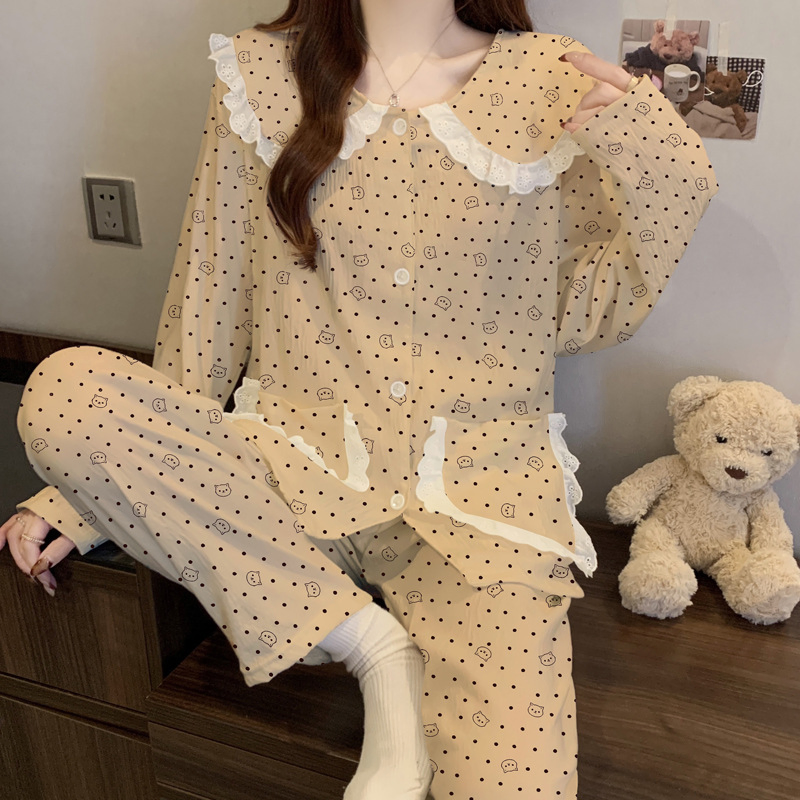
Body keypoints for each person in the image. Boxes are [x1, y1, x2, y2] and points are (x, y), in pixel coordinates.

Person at [2, 0, 717, 797]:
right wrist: (88, 496)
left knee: (517, 784)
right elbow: (208, 304)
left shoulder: (550, 80)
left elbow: (583, 317)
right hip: (286, 475)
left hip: (482, 505)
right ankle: (371, 646)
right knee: (64, 392)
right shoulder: (260, 75)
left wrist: (670, 174)